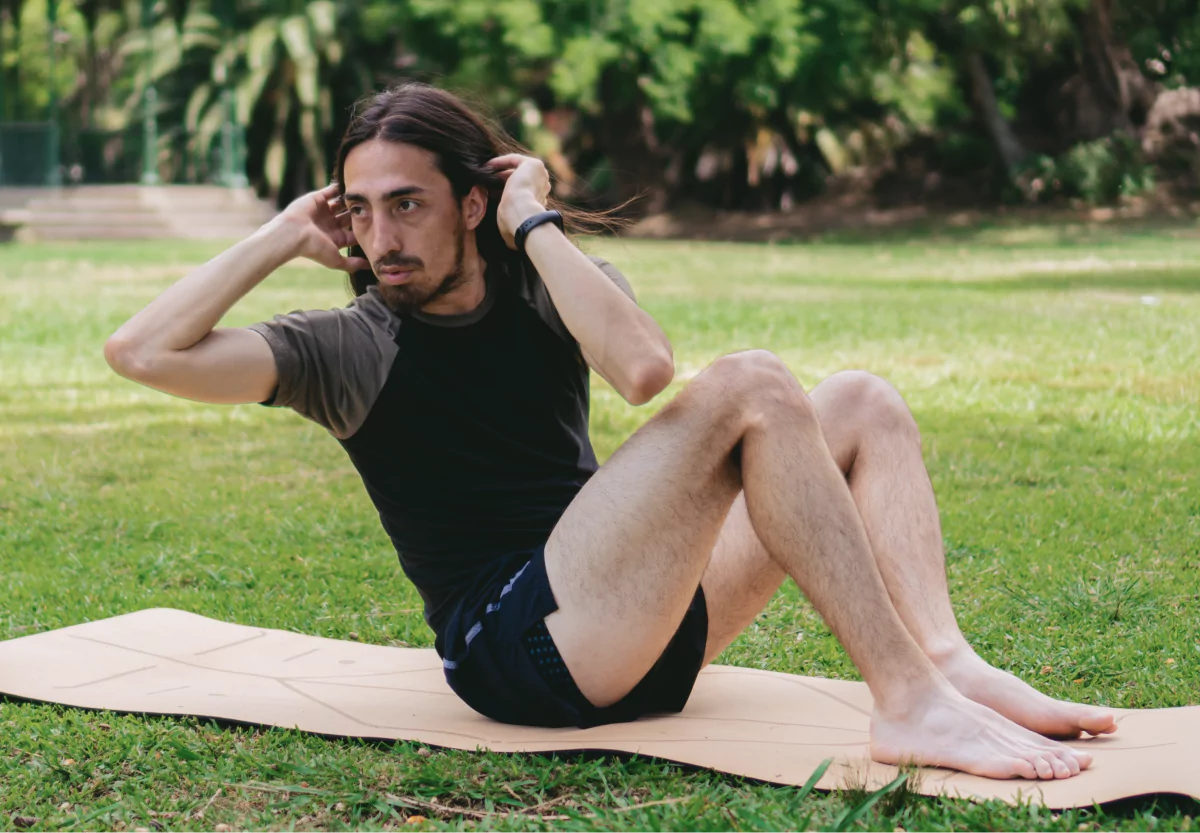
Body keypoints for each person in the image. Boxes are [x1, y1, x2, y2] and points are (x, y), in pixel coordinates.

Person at [105, 83, 1116, 781]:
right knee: (755, 382)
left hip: (637, 626)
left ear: (473, 203)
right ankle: (905, 698)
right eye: (361, 212)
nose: (381, 237)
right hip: (514, 649)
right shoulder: (348, 349)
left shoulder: (548, 286)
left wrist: (536, 223)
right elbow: (141, 351)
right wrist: (285, 232)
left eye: (407, 205)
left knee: (859, 399)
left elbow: (640, 370)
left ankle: (943, 658)